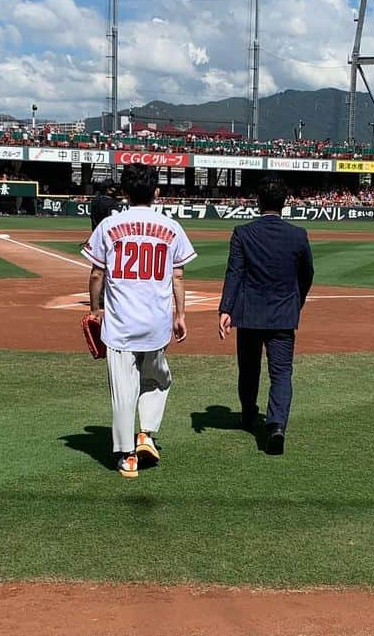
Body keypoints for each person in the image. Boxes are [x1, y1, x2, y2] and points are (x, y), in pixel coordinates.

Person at [83, 163, 196, 478]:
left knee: (123, 391)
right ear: (157, 192)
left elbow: (96, 273)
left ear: (123, 193)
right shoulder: (170, 227)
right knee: (159, 380)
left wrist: (95, 309)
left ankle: (126, 457)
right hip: (156, 325)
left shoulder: (108, 225)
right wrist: (181, 314)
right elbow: (178, 274)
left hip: (119, 324)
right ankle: (146, 432)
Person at [218, 177, 314, 456]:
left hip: (249, 314)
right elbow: (306, 274)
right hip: (283, 313)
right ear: (284, 203)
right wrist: (298, 301)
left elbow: (234, 273)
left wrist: (226, 309)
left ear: (257, 201)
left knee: (249, 370)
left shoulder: (243, 232)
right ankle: (276, 426)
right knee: (281, 373)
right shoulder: (298, 234)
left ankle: (249, 414)